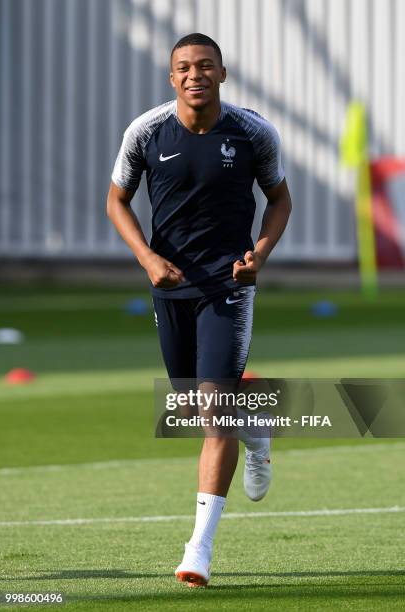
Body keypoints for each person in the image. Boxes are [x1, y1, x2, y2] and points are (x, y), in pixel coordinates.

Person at [107, 32, 292, 587]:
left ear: (222, 73)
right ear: (172, 78)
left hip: (228, 287)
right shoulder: (146, 131)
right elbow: (116, 199)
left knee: (213, 411)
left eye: (205, 66)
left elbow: (280, 198)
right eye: (184, 67)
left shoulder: (253, 131)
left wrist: (258, 254)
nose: (195, 75)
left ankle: (199, 549)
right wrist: (146, 258)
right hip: (170, 284)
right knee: (195, 405)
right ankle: (256, 424)